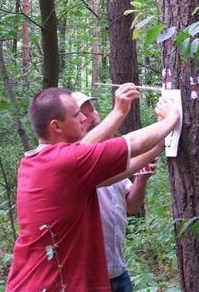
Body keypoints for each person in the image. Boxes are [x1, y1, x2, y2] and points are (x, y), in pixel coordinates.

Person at [6, 84, 179, 292]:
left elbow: (114, 175)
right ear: (56, 126)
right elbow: (134, 142)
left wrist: (160, 143)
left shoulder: (39, 161)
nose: (83, 118)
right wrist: (171, 117)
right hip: (45, 285)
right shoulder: (64, 162)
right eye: (76, 114)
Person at [73, 92, 158, 292]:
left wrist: (141, 178)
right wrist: (162, 137)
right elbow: (135, 144)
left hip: (118, 272)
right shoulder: (73, 166)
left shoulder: (107, 158)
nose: (93, 118)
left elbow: (132, 206)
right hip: (88, 280)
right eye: (83, 117)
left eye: (92, 110)